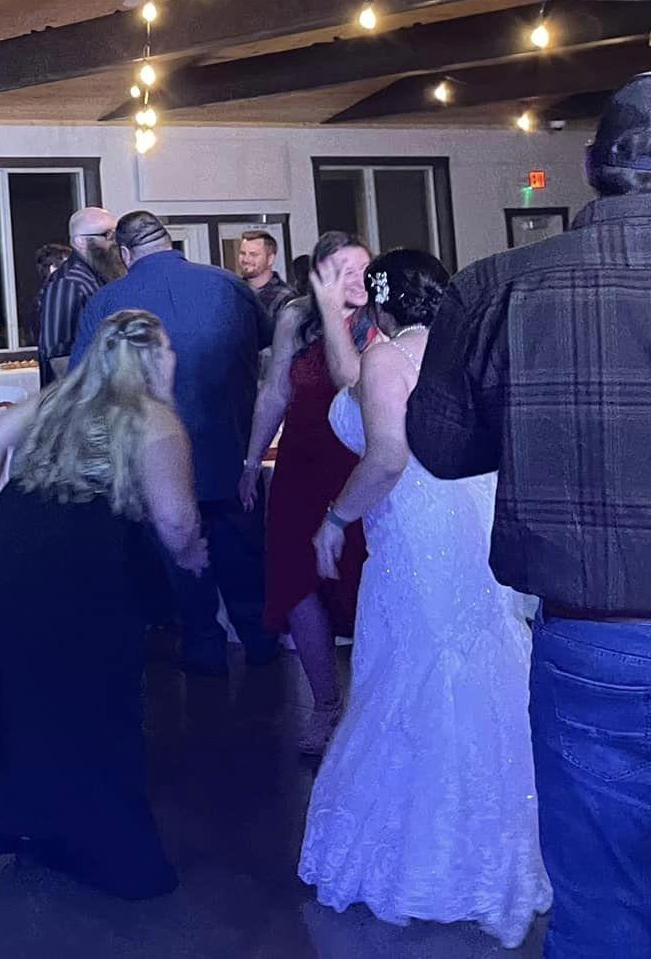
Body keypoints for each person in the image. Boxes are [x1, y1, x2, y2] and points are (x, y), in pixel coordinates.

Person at [408, 77, 651, 959]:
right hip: (594, 634)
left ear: (590, 166)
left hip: (594, 631)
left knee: (601, 904)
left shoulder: (497, 284)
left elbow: (441, 449)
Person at [298, 249, 550, 945]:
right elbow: (354, 386)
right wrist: (332, 314)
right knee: (480, 665)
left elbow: (385, 455)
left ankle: (423, 859)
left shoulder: (388, 358)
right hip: (472, 522)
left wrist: (335, 519)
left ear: (383, 305)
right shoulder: (466, 353)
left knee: (412, 671)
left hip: (415, 530)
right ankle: (495, 848)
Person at [0, 310, 206, 900]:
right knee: (97, 698)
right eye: (169, 348)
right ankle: (105, 847)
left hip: (10, 536)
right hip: (81, 558)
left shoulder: (62, 398)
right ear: (153, 357)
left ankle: (32, 819)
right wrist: (194, 556)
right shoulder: (153, 417)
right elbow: (176, 519)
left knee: (31, 690)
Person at [74, 210, 276, 676]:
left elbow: (85, 384)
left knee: (183, 565)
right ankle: (262, 646)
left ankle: (205, 649)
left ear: (125, 253)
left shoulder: (109, 301)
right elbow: (268, 352)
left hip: (154, 460)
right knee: (245, 560)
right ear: (169, 241)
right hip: (231, 449)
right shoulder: (228, 285)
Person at [241, 231, 373, 751]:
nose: (355, 279)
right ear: (319, 275)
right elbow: (275, 390)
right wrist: (251, 460)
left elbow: (356, 385)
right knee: (297, 579)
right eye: (342, 270)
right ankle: (324, 704)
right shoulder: (296, 317)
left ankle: (373, 705)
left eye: (361, 268)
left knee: (364, 579)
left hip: (358, 462)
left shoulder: (380, 318)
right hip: (300, 460)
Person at [37, 207, 119, 383]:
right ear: (80, 241)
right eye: (107, 235)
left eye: (116, 234)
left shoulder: (99, 275)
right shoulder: (67, 283)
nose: (115, 242)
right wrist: (83, 395)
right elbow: (58, 356)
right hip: (80, 395)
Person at [237, 230, 294, 336]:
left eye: (253, 254)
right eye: (242, 253)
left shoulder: (285, 298)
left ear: (270, 259)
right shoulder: (234, 292)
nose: (246, 259)